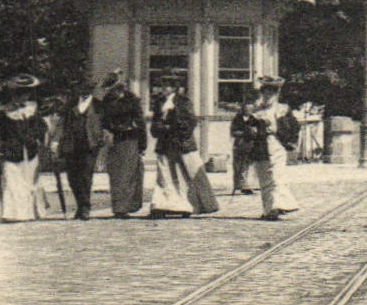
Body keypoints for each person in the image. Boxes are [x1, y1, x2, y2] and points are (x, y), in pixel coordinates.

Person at [148, 82, 218, 217]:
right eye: (162, 85)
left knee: (185, 174)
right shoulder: (159, 103)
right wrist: (159, 128)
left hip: (182, 143)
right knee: (165, 175)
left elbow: (191, 121)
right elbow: (155, 122)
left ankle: (186, 205)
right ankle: (162, 205)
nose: (164, 88)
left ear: (173, 88)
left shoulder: (183, 102)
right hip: (165, 143)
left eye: (167, 85)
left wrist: (175, 128)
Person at [0, 75, 48, 221]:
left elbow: (41, 127)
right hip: (11, 151)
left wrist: (35, 137)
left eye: (26, 93)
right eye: (20, 94)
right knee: (12, 182)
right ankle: (12, 214)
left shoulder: (32, 110)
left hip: (29, 151)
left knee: (29, 182)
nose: (24, 97)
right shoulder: (5, 112)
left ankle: (30, 212)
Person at [246, 76, 300, 221]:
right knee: (264, 178)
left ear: (277, 94)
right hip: (260, 146)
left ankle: (280, 205)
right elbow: (246, 128)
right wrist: (252, 130)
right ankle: (268, 210)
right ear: (262, 93)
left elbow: (294, 126)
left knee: (277, 176)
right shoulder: (255, 110)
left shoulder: (283, 109)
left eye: (272, 92)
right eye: (266, 92)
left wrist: (289, 139)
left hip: (277, 144)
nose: (268, 95)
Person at [54, 81, 104, 220]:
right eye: (82, 88)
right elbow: (61, 123)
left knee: (86, 177)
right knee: (73, 178)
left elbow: (103, 124)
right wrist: (55, 140)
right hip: (71, 145)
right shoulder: (71, 104)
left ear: (92, 90)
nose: (85, 91)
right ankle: (80, 205)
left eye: (88, 89)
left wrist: (102, 140)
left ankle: (85, 207)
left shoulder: (98, 105)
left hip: (90, 145)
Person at [100, 72, 146, 218]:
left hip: (130, 139)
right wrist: (107, 132)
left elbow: (140, 122)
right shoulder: (107, 101)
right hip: (114, 141)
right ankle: (118, 207)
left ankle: (124, 207)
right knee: (115, 175)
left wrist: (142, 144)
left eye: (115, 90)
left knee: (128, 174)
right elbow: (104, 121)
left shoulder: (132, 100)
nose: (112, 93)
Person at [229, 81, 260, 195]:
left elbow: (258, 131)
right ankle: (238, 185)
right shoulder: (238, 119)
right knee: (238, 166)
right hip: (240, 145)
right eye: (246, 108)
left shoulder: (254, 119)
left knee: (249, 166)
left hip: (251, 145)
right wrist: (243, 133)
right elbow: (233, 131)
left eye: (250, 109)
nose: (248, 110)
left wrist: (254, 133)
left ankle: (248, 186)